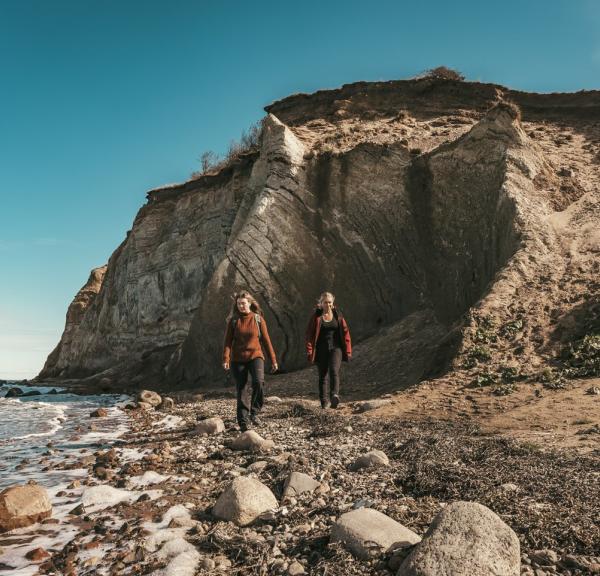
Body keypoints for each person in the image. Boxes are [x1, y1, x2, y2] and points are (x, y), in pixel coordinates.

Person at [223, 290, 278, 432]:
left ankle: (254, 412)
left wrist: (273, 360)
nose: (241, 306)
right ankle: (243, 421)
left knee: (258, 382)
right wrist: (226, 358)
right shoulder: (234, 321)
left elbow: (266, 341)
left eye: (243, 303)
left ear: (249, 303)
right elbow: (228, 342)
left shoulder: (258, 319)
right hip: (237, 359)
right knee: (241, 388)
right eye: (239, 304)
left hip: (256, 355)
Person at [305, 292, 352, 409]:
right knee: (323, 375)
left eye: (330, 302)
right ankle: (324, 402)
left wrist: (348, 350)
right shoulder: (316, 316)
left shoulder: (338, 315)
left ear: (333, 302)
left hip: (336, 348)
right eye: (325, 302)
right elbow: (309, 335)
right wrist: (310, 350)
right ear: (321, 303)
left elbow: (346, 333)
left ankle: (334, 395)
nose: (328, 304)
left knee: (334, 370)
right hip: (321, 349)